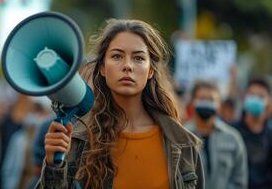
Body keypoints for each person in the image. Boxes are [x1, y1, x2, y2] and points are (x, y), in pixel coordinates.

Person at [35, 19, 204, 189]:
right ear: (102, 67)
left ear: (151, 71)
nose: (128, 66)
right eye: (117, 56)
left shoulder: (183, 144)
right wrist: (53, 166)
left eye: (138, 58)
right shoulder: (79, 139)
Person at [185, 80, 247, 189]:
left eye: (211, 99)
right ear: (192, 102)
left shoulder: (233, 138)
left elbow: (239, 180)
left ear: (219, 105)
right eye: (202, 98)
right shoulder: (181, 136)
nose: (206, 103)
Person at [233, 77, 272, 189]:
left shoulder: (270, 135)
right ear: (245, 98)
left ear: (268, 101)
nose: (255, 99)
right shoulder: (232, 132)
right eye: (251, 94)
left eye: (260, 96)